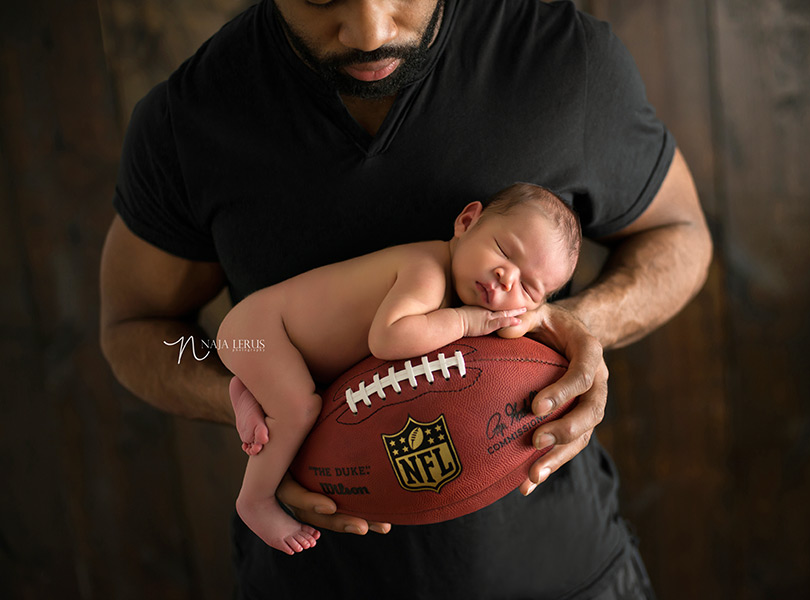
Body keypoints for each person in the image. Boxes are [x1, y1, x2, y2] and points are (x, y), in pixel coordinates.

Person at [99, 0, 712, 598]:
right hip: (315, 578)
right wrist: (261, 416)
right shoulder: (190, 118)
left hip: (567, 571)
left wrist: (566, 328)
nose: (369, 29)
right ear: (467, 221)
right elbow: (134, 326)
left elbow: (680, 233)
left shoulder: (563, 58)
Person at [219, 184, 581, 555]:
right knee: (300, 409)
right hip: (261, 330)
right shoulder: (428, 272)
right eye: (504, 251)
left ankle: (247, 393)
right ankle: (255, 501)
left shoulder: (449, 281)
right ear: (467, 222)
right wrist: (465, 323)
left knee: (298, 397)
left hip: (275, 342)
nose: (507, 278)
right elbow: (388, 340)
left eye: (529, 288)